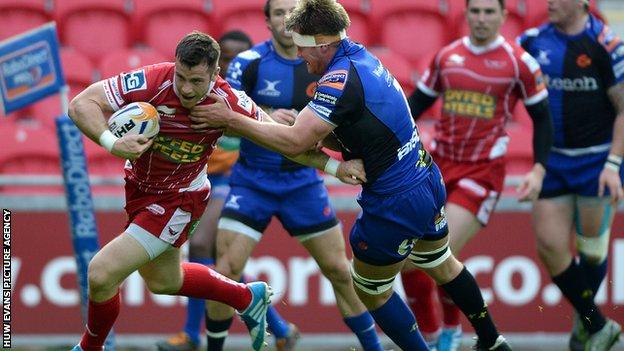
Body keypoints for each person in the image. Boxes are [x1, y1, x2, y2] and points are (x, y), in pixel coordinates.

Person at [189, 0, 512, 350]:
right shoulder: (362, 58)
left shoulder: (339, 79)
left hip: (394, 200)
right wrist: (311, 135)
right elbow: (347, 127)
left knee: (368, 289)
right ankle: (493, 340)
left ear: (322, 42)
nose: (300, 55)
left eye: (303, 46)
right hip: (423, 177)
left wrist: (232, 120)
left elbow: (298, 141)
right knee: (442, 264)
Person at [65, 31, 346, 351]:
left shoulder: (229, 103)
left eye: (196, 81)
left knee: (101, 274)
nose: (185, 89)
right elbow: (81, 103)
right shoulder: (154, 79)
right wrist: (113, 143)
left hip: (179, 199)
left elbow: (289, 143)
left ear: (215, 74)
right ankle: (245, 296)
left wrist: (336, 168)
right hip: (140, 191)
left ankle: (90, 347)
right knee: (163, 282)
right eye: (181, 77)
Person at [202, 1, 384, 351]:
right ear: (267, 21)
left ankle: (374, 347)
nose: (286, 19)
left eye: (291, 12)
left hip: (303, 183)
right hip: (253, 181)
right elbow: (226, 121)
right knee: (226, 271)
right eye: (278, 13)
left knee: (340, 272)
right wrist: (268, 116)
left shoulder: (325, 66)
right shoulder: (248, 64)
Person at [400, 0, 554, 350]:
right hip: (437, 167)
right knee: (415, 261)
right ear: (466, 15)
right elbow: (415, 107)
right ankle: (435, 334)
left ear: (503, 15)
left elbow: (543, 119)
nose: (482, 18)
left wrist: (539, 169)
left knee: (430, 253)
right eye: (476, 11)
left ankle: (449, 335)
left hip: (481, 173)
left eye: (489, 12)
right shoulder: (446, 57)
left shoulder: (519, 63)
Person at [155, 30, 300, 351]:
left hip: (233, 180)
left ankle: (194, 335)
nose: (235, 63)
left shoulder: (248, 102)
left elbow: (277, 135)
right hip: (202, 179)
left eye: (240, 58)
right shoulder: (198, 92)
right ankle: (280, 328)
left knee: (202, 246)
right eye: (229, 57)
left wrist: (264, 121)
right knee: (220, 262)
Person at [518, 0, 624, 350]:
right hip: (552, 161)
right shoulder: (532, 41)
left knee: (592, 252)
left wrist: (612, 164)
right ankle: (597, 323)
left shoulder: (608, 45)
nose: (549, 2)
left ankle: (586, 327)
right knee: (550, 246)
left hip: (596, 163)